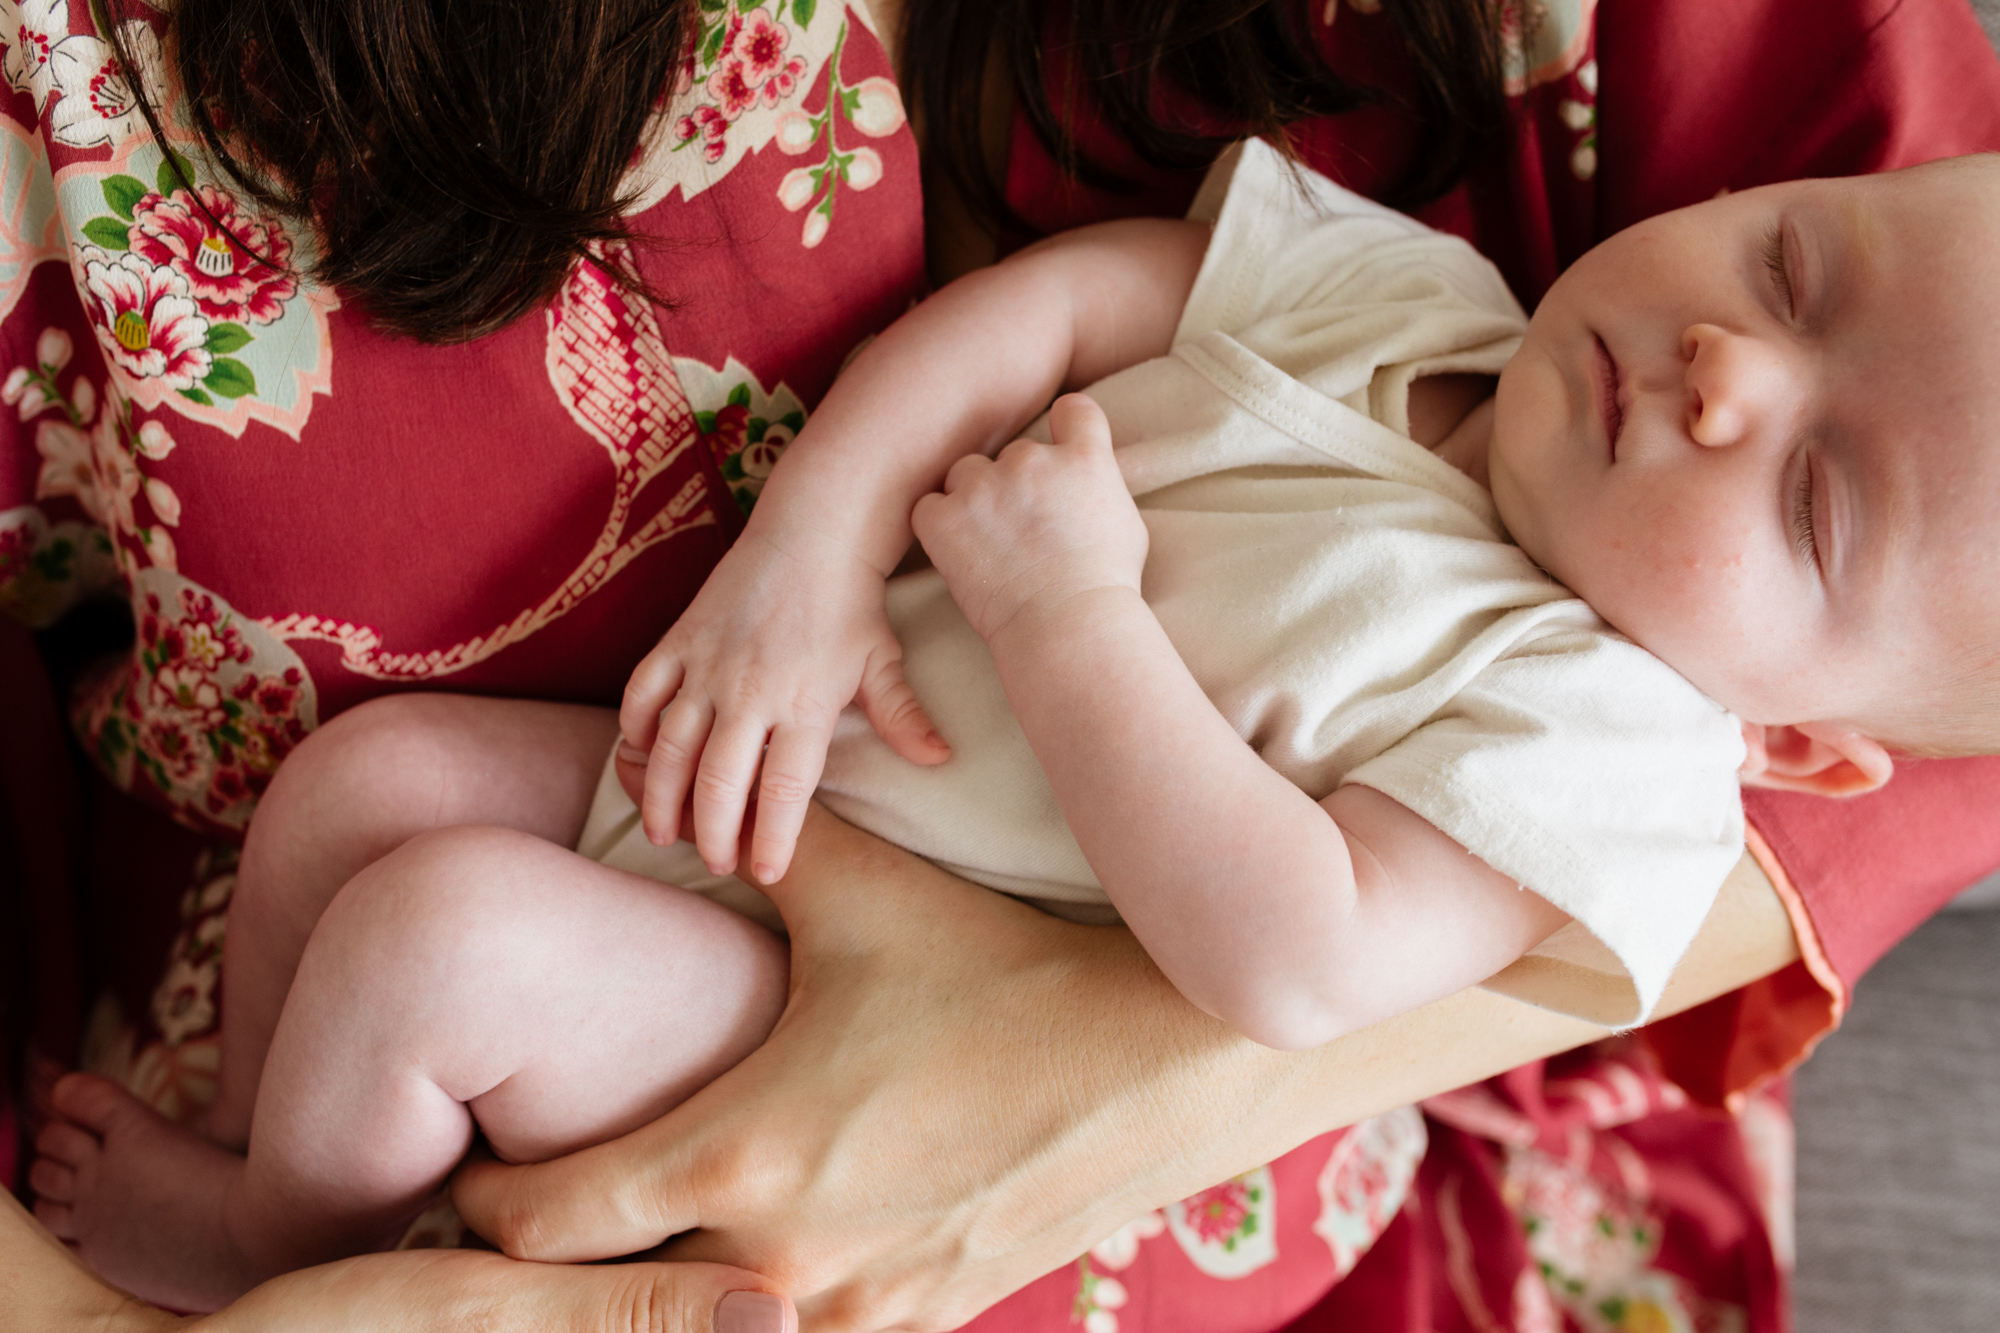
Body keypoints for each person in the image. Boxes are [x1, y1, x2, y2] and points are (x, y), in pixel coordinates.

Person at [7, 0, 2000, 1329]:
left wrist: (1069, 621)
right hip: (751, 773)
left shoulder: (1612, 748)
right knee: (357, 794)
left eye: (1817, 502)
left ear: (1804, 740)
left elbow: (1294, 956)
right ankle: (281, 1152)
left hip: (853, 982)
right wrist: (807, 547)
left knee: (435, 935)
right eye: (1790, 267)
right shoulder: (1420, 305)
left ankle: (296, 1251)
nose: (1732, 370)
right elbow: (1061, 315)